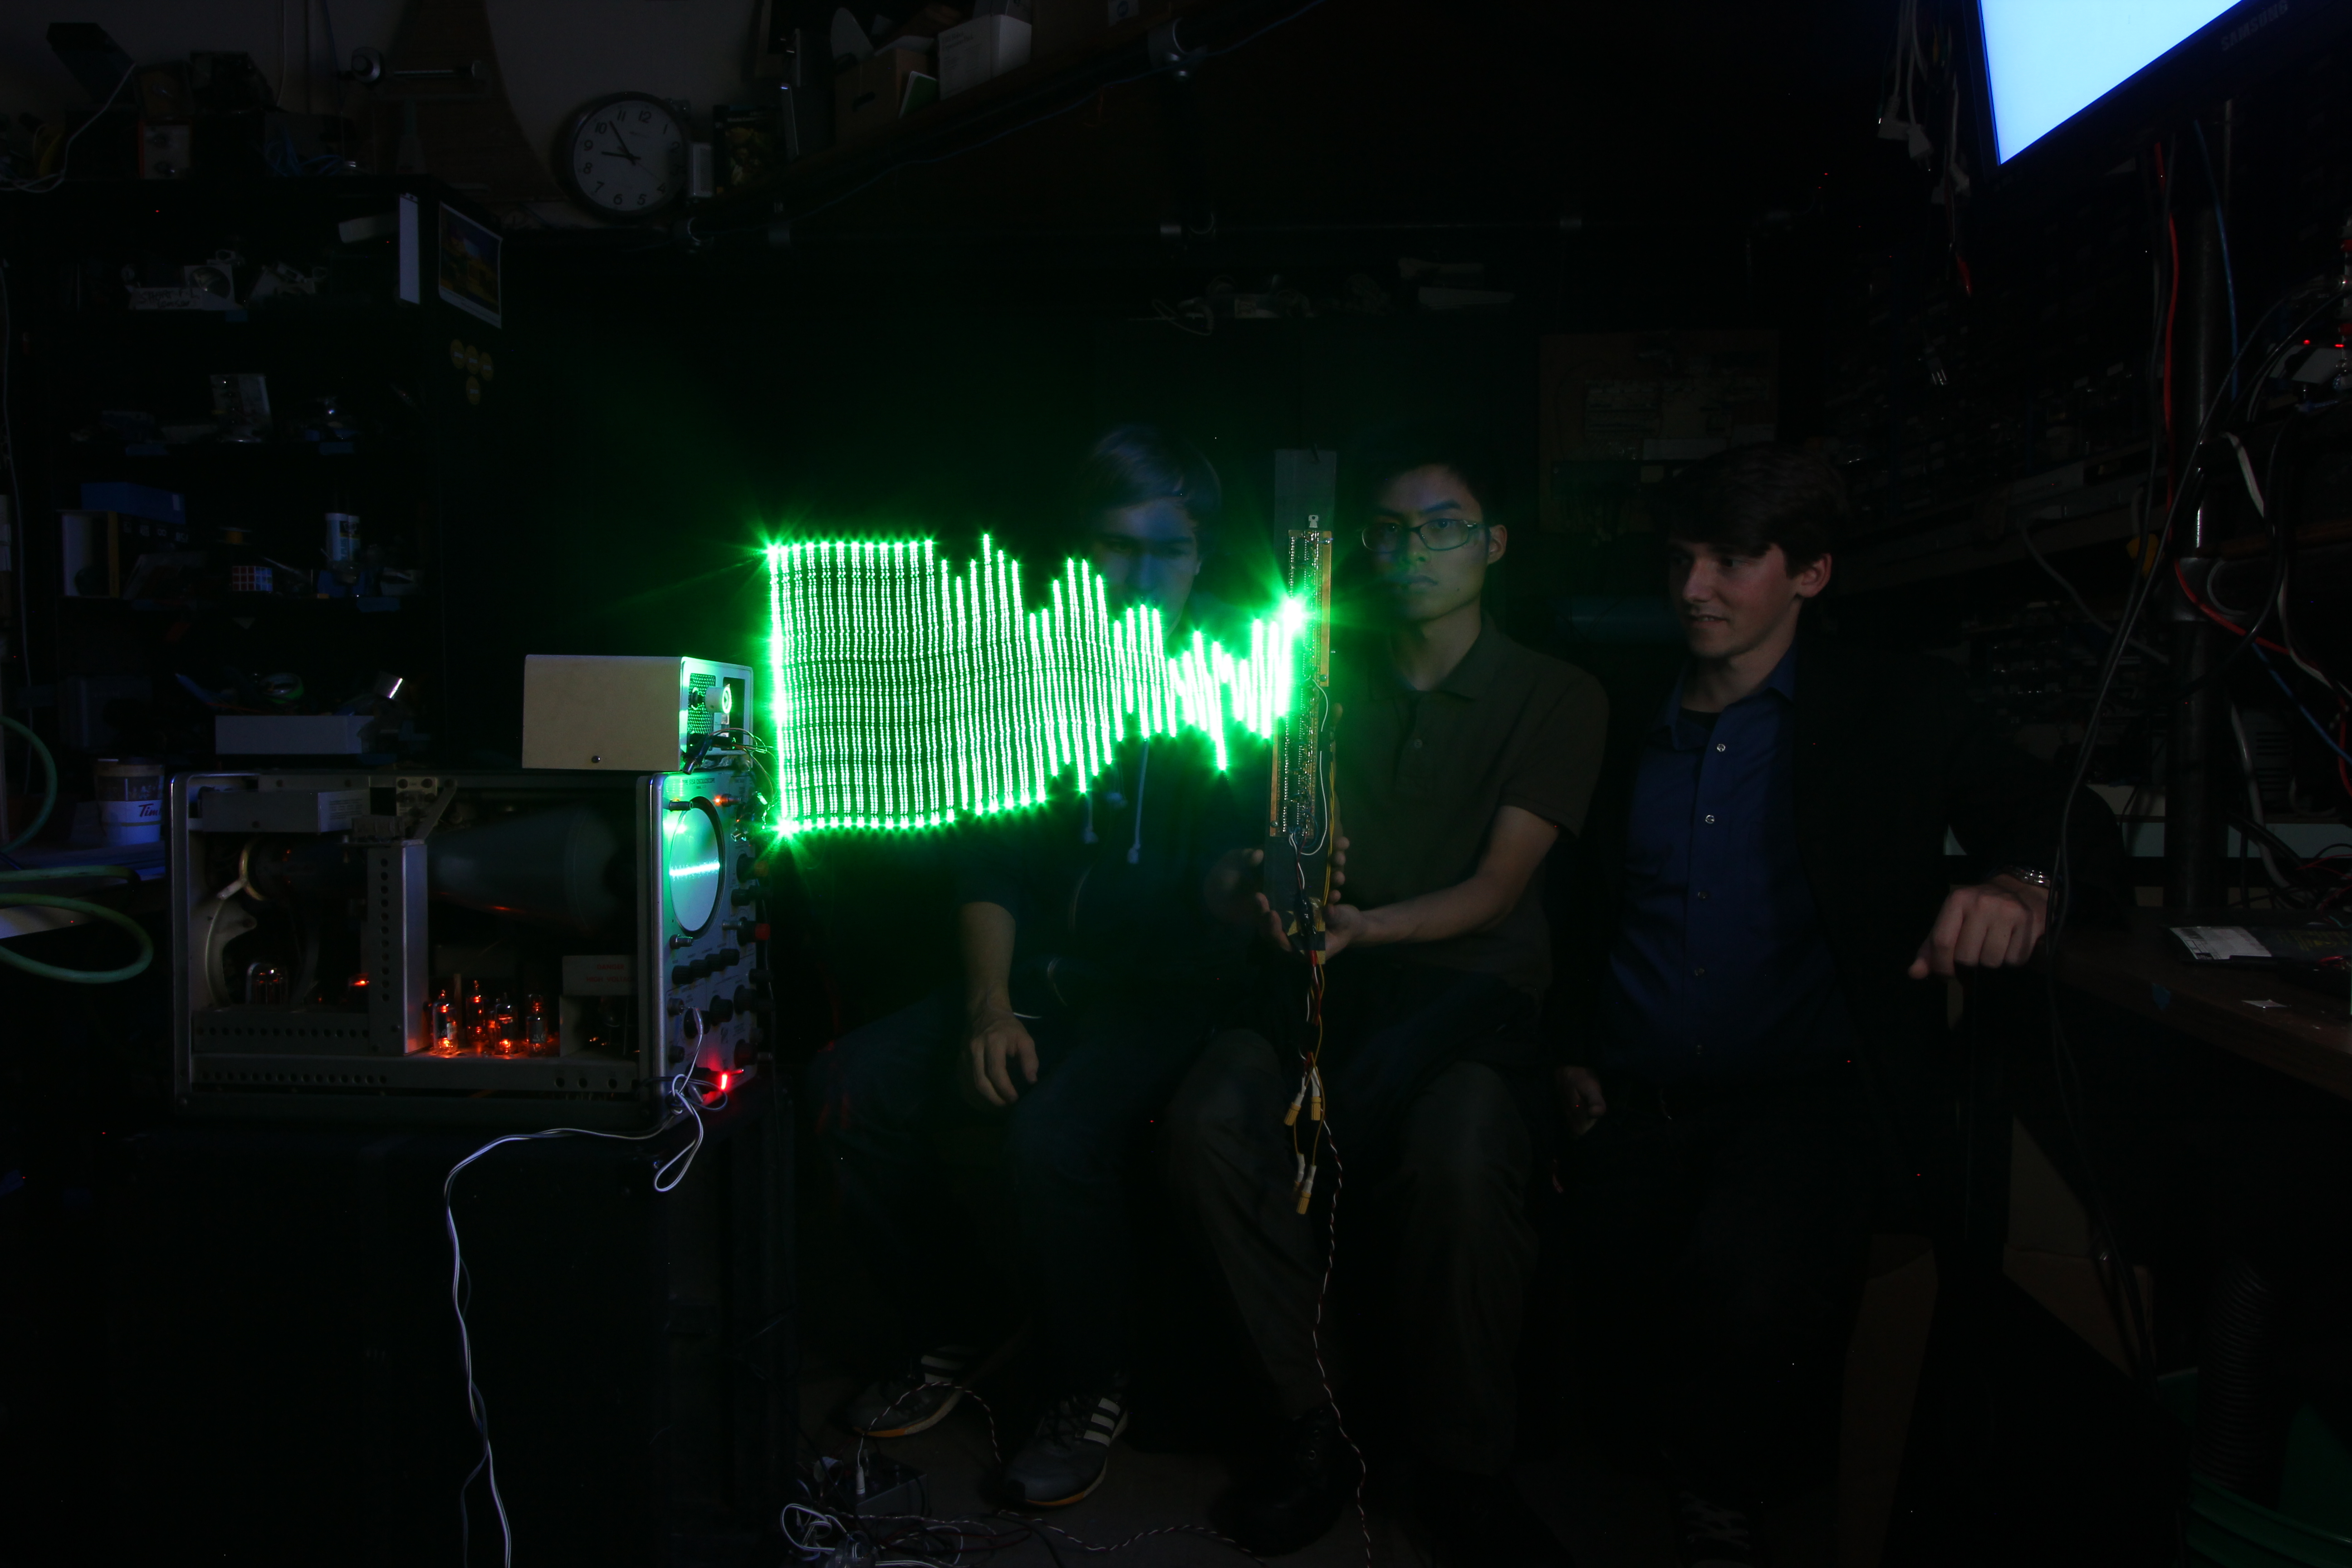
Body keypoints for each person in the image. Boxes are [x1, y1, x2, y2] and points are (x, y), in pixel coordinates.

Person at [1549, 443, 2125, 1567]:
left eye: (1731, 561)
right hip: (1633, 1096)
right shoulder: (1620, 712)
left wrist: (2023, 885)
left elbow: (2067, 818)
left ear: (1810, 573)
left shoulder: (1896, 706)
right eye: (1680, 558)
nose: (1694, 588)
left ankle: (1727, 1505)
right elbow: (1581, 904)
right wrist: (1569, 1049)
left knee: (1747, 1288)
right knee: (1591, 1342)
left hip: (1808, 1099)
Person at [1165, 426, 1609, 1564]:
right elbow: (1221, 868)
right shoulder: (1305, 683)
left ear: (1493, 545)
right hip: (1309, 989)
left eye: (1443, 528)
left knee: (1461, 1157)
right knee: (1209, 1118)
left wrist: (1366, 924)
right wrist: (1253, 890)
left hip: (1466, 1000)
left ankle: (1464, 1468)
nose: (1414, 552)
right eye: (1391, 531)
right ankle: (1315, 1426)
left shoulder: (1555, 695)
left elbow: (1498, 890)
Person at [806, 425, 1259, 1507]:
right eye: (1117, 546)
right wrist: (990, 1006)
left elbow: (1229, 873)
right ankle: (952, 1319)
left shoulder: (1247, 677)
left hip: (1169, 997)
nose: (1142, 576)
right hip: (1044, 978)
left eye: (1169, 550)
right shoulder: (1025, 677)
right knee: (843, 1087)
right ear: (1077, 550)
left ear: (1202, 554)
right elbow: (991, 864)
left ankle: (1090, 1382)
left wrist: (1241, 883)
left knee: (1054, 1136)